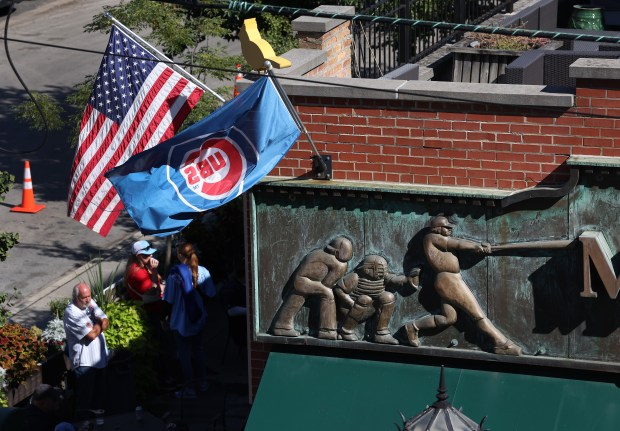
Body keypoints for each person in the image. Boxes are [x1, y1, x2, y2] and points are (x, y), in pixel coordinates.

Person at [404, 216, 521, 356]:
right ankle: (501, 343)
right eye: (446, 228)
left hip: (449, 280)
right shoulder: (432, 237)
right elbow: (458, 243)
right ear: (437, 228)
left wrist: (479, 248)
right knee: (478, 315)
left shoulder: (439, 240)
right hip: (449, 280)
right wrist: (477, 246)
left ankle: (413, 326)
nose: (449, 230)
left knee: (449, 318)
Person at [272, 236, 353, 340]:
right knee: (327, 294)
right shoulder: (338, 264)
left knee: (301, 296)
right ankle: (327, 330)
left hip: (304, 280)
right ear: (337, 253)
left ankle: (282, 324)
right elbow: (327, 284)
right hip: (301, 280)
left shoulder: (324, 255)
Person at [164, 243, 216, 399]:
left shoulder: (174, 275)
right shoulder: (203, 272)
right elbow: (211, 293)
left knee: (184, 355)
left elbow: (169, 299)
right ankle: (203, 383)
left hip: (180, 321)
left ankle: (190, 389)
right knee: (198, 350)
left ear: (180, 256)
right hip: (198, 319)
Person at [63, 283, 109, 416]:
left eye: (89, 296)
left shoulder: (90, 302)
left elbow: (106, 320)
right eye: (84, 297)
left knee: (99, 400)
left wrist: (97, 324)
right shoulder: (71, 313)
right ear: (76, 297)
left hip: (100, 360)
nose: (88, 300)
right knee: (85, 404)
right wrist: (99, 322)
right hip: (85, 364)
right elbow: (91, 335)